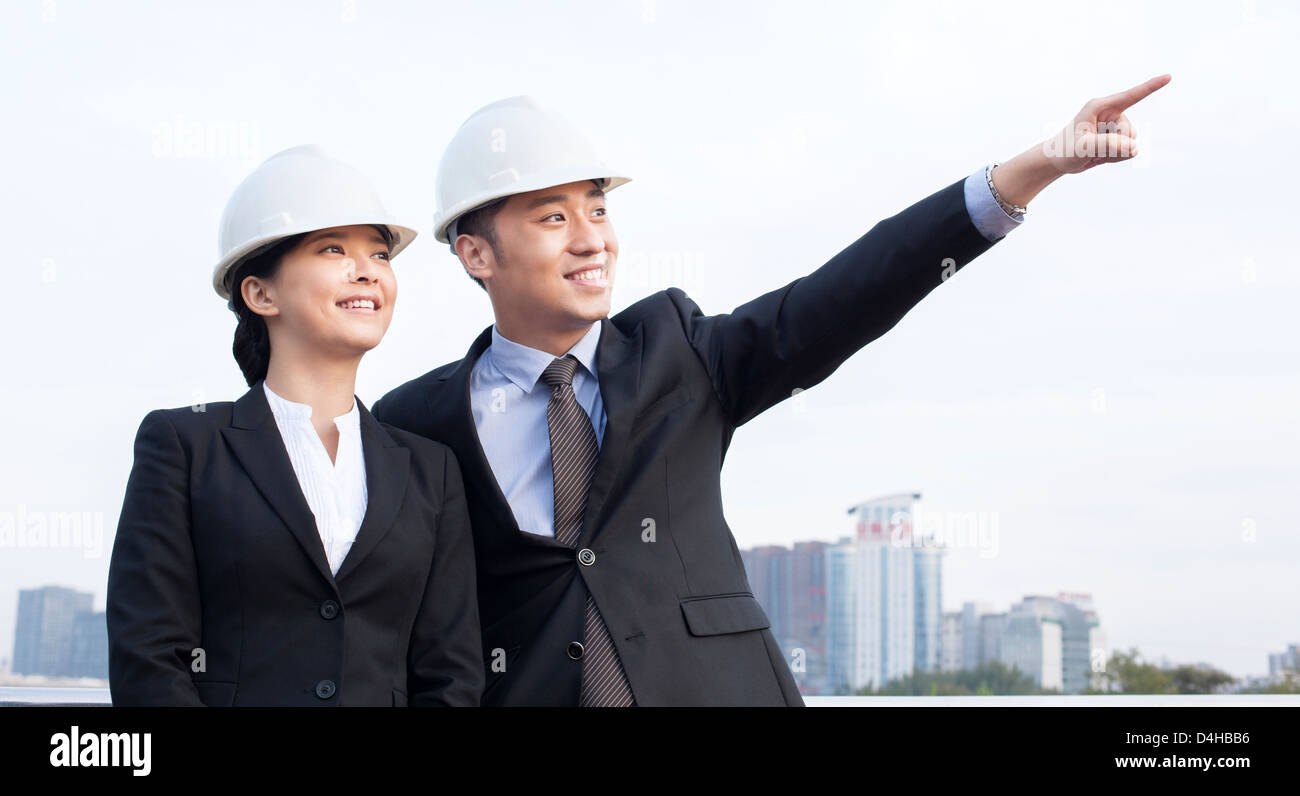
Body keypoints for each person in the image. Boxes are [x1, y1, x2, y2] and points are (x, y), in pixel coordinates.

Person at [372, 78, 1171, 706]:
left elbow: (844, 295)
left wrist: (1032, 170)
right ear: (477, 253)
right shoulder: (417, 423)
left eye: (599, 209)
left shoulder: (677, 352)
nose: (592, 239)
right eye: (553, 217)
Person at [107, 144, 484, 706]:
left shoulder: (430, 470)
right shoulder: (185, 446)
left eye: (379, 255)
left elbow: (451, 675)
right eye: (332, 249)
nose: (366, 272)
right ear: (259, 293)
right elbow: (148, 657)